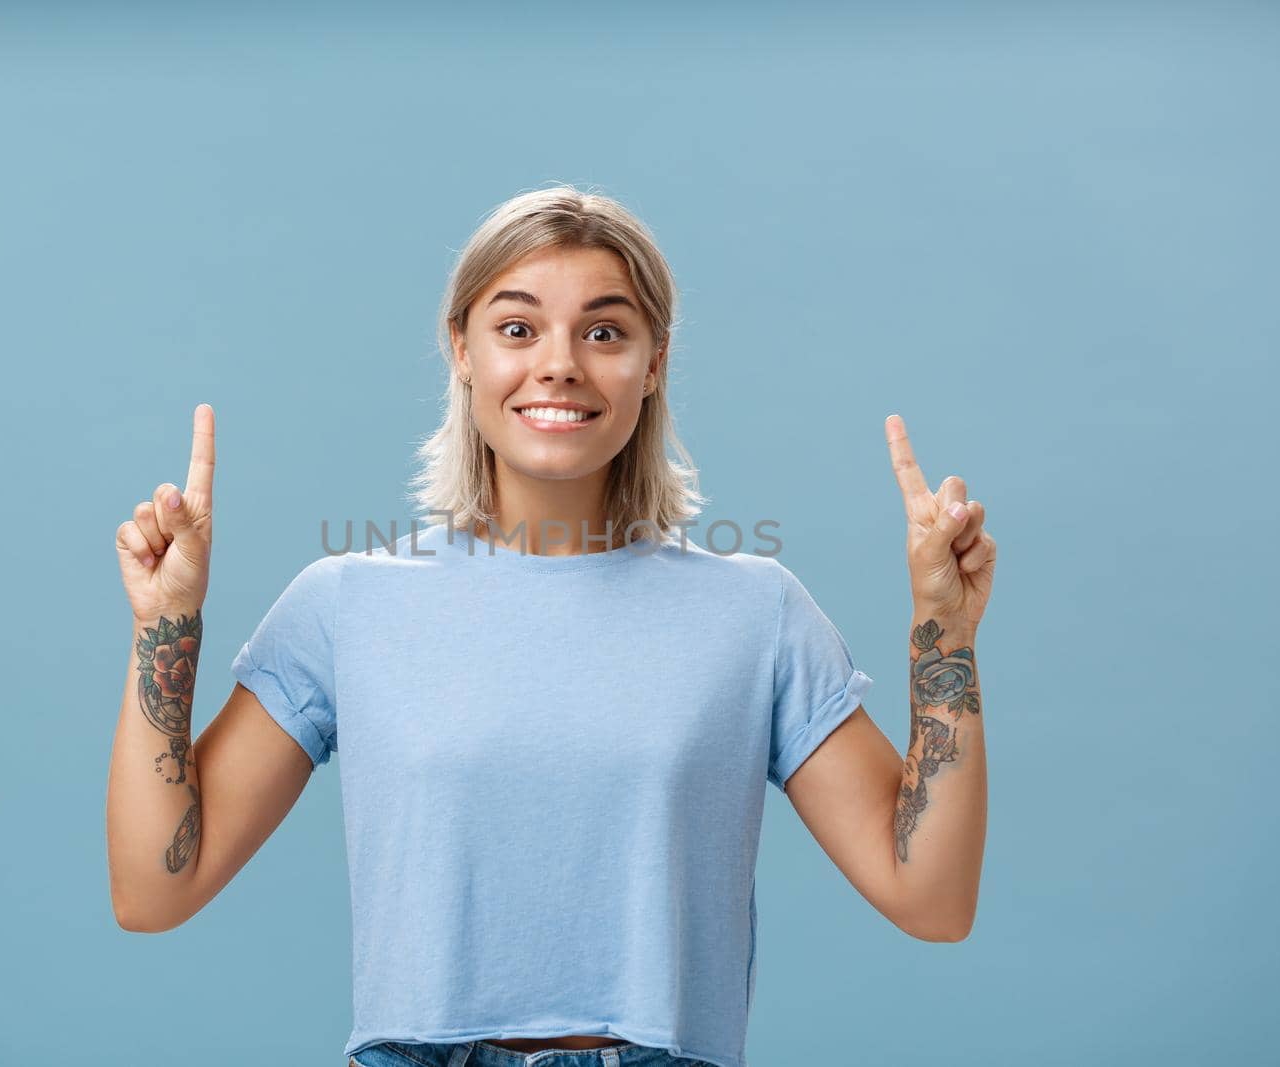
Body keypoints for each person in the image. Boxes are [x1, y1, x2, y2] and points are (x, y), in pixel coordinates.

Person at [105, 185, 996, 1067]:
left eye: (604, 330)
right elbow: (156, 887)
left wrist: (943, 634)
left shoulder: (757, 612)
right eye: (518, 327)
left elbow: (932, 898)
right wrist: (166, 624)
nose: (561, 363)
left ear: (654, 362)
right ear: (461, 348)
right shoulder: (345, 603)